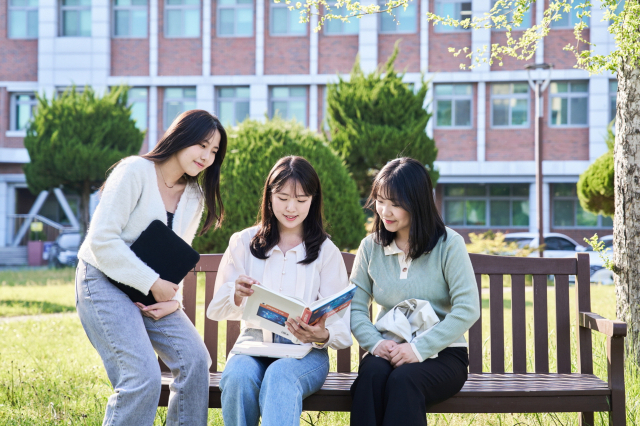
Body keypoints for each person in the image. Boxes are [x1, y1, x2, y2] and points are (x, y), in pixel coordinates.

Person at [75, 110, 227, 426]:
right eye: (202, 145)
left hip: (151, 289)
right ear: (180, 137)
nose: (207, 157)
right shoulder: (135, 170)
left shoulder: (194, 196)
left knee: (196, 361)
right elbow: (101, 241)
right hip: (101, 279)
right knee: (142, 375)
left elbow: (173, 255)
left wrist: (173, 299)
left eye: (214, 151)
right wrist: (153, 282)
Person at [206, 155, 352, 426]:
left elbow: (342, 328)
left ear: (314, 199)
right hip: (253, 345)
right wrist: (236, 294)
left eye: (301, 199)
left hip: (305, 352)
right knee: (237, 376)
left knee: (280, 376)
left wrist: (323, 333)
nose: (291, 207)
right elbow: (215, 309)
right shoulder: (243, 242)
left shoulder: (325, 252)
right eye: (283, 197)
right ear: (269, 196)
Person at [349, 157, 480, 426]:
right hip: (387, 348)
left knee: (404, 380)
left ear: (417, 203)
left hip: (443, 353)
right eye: (381, 201)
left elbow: (468, 309)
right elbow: (355, 306)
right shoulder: (370, 247)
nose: (385, 211)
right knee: (372, 375)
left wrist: (418, 349)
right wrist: (376, 343)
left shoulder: (449, 244)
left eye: (395, 204)